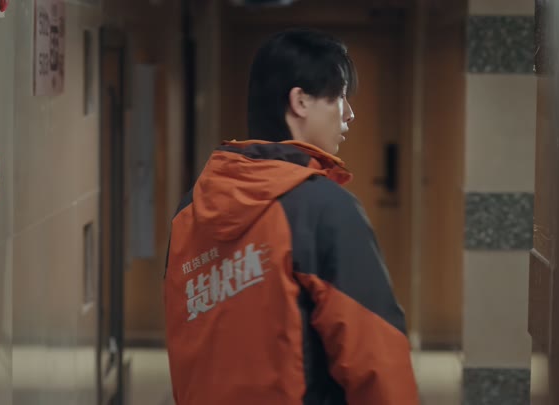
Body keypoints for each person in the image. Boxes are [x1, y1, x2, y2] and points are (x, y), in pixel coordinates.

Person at [163, 28, 419, 405]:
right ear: (300, 101)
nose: (349, 113)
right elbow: (376, 358)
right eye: (339, 97)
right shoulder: (323, 209)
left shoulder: (190, 210)